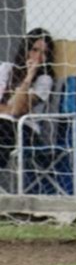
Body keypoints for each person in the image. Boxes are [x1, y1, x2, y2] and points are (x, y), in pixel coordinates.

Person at [0, 28, 55, 172]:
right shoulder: (6, 69)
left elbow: (17, 111)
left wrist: (29, 77)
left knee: (4, 126)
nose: (38, 57)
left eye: (44, 53)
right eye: (35, 50)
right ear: (26, 49)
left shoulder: (44, 80)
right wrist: (8, 110)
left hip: (24, 129)